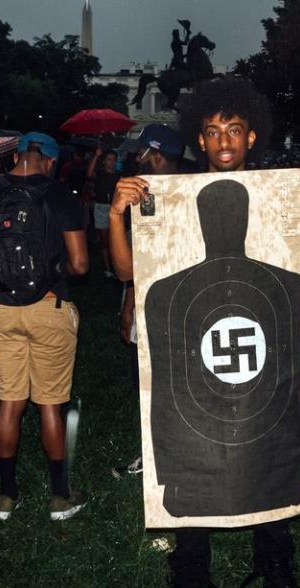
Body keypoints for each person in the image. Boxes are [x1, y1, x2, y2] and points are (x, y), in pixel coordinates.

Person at [108, 77, 300, 588]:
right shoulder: (165, 197)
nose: (223, 139)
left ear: (251, 135)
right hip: (196, 390)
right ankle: (187, 579)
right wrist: (117, 216)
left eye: (233, 129)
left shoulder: (288, 193)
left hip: (268, 388)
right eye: (212, 131)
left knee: (270, 460)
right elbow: (125, 273)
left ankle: (278, 570)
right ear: (200, 142)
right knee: (196, 461)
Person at [0, 132, 90, 521]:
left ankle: (6, 495)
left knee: (10, 399)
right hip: (47, 307)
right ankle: (60, 497)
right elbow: (82, 264)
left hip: (1, 308)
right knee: (49, 401)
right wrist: (49, 272)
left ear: (15, 155)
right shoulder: (60, 195)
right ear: (49, 161)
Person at [110, 124, 186, 480]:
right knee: (152, 386)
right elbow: (133, 264)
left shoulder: (176, 194)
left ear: (154, 154)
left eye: (138, 153)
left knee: (162, 388)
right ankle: (155, 453)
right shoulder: (140, 194)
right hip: (152, 303)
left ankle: (170, 456)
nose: (133, 160)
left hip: (176, 307)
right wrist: (127, 305)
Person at [87, 148, 119, 278]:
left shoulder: (118, 175)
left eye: (114, 160)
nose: (112, 162)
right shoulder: (99, 174)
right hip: (101, 208)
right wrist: (96, 156)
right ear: (104, 161)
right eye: (109, 159)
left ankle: (116, 267)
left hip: (115, 209)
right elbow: (89, 174)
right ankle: (107, 269)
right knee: (105, 242)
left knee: (115, 241)